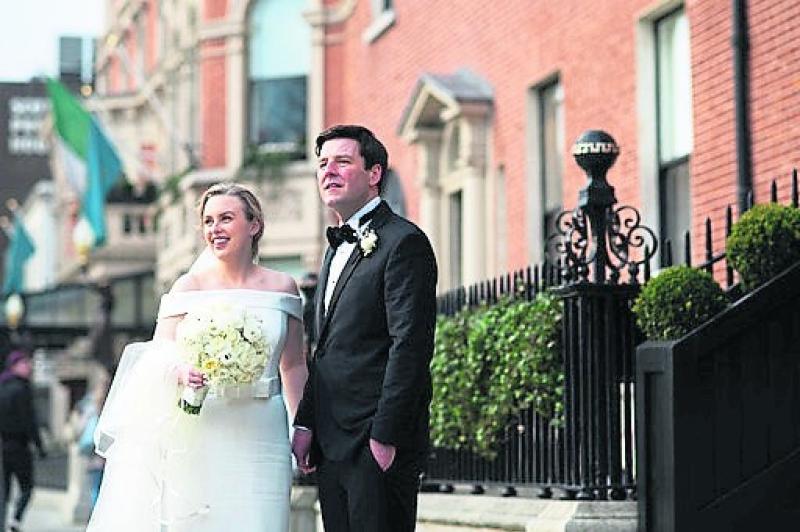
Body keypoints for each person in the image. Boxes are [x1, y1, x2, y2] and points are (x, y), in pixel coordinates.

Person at [86, 182, 308, 531]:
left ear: (254, 225)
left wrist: (303, 425)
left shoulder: (282, 287)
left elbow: (293, 364)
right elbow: (158, 356)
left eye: (226, 218)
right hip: (205, 425)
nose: (215, 229)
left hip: (263, 427)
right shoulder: (188, 287)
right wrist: (181, 370)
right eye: (208, 221)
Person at [292, 125, 438, 532]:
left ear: (374, 173)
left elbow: (410, 343)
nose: (328, 172)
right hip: (331, 439)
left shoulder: (403, 242)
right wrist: (306, 422)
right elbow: (323, 349)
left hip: (375, 440)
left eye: (342, 161)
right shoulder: (334, 248)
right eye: (322, 164)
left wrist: (385, 436)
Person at [0, 350, 46, 532]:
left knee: (4, 491)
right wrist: (40, 446)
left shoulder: (2, 386)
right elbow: (29, 421)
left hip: (2, 445)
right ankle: (15, 521)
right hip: (19, 446)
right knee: (27, 488)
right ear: (15, 366)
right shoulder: (22, 388)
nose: (29, 367)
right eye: (25, 363)